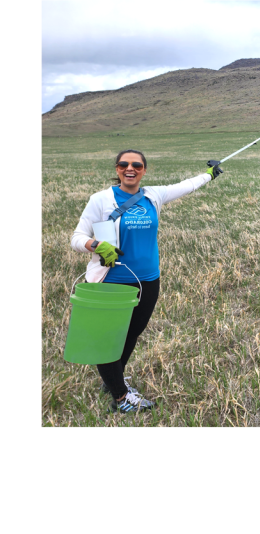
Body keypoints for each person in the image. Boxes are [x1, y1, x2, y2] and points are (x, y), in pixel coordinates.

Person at [70, 149, 222, 413]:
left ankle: (113, 379)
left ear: (144, 169)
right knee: (108, 339)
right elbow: (76, 237)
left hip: (148, 280)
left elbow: (185, 186)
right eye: (124, 164)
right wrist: (94, 245)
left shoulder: (153, 195)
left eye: (136, 165)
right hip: (112, 281)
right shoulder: (101, 200)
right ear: (117, 169)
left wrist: (209, 175)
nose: (130, 168)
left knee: (131, 334)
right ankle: (120, 397)